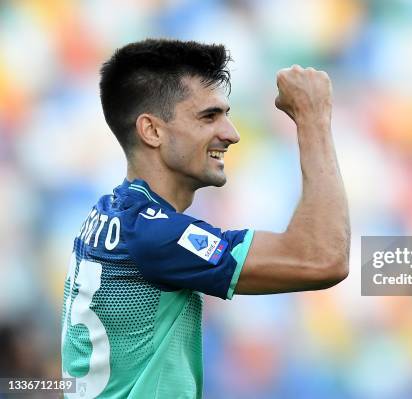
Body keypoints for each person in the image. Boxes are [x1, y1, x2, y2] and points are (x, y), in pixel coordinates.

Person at [60, 39, 350, 398]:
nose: (231, 134)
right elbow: (323, 258)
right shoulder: (153, 235)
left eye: (226, 115)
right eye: (208, 116)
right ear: (152, 130)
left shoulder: (114, 212)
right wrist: (313, 117)